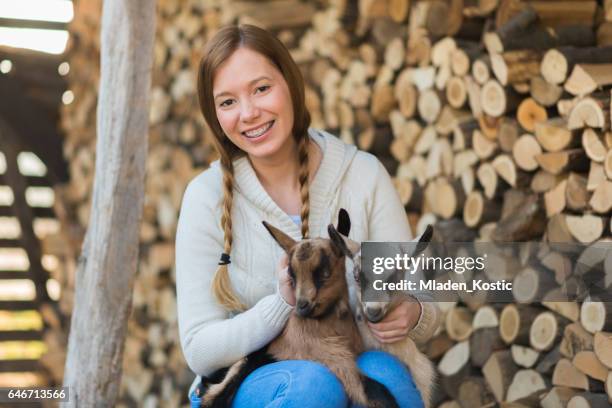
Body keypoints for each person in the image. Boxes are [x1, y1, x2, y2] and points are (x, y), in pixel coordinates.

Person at [175, 24, 440, 408]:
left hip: (354, 355)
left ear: (291, 85)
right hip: (254, 380)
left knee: (389, 378)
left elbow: (423, 298)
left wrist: (412, 311)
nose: (248, 113)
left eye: (261, 88)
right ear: (214, 114)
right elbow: (200, 349)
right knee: (315, 385)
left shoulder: (362, 177)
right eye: (227, 102)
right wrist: (284, 302)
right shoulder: (206, 197)